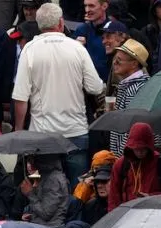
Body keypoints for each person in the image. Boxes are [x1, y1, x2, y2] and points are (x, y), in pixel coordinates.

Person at [12, 3, 105, 180]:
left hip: (43, 135)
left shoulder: (29, 50)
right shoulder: (77, 48)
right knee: (78, 191)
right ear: (61, 23)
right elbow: (95, 87)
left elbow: (20, 98)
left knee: (49, 190)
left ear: (39, 25)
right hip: (75, 131)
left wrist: (18, 131)